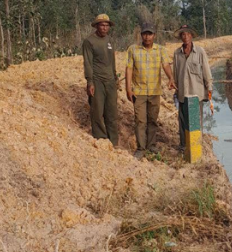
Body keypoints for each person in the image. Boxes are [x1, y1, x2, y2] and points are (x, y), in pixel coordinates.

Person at [125, 23, 176, 158]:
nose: (147, 37)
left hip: (154, 91)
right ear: (141, 35)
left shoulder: (160, 50)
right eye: (145, 34)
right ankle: (141, 148)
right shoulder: (133, 49)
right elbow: (129, 69)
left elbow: (165, 64)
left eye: (150, 34)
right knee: (140, 120)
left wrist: (171, 77)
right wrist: (128, 89)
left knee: (152, 120)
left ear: (154, 35)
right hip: (139, 91)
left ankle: (151, 145)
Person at [171, 24, 213, 152]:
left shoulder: (200, 51)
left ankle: (195, 147)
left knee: (196, 121)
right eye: (183, 34)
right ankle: (184, 146)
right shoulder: (177, 54)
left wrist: (209, 87)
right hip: (183, 93)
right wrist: (176, 91)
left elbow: (206, 71)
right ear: (180, 37)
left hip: (196, 94)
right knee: (183, 122)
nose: (185, 37)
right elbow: (175, 74)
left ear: (191, 36)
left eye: (188, 34)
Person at [82, 13, 119, 146]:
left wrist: (115, 77)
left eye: (106, 25)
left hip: (110, 81)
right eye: (102, 25)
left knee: (112, 112)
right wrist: (90, 81)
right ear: (97, 26)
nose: (104, 28)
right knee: (97, 112)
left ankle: (114, 142)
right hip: (97, 81)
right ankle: (101, 139)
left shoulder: (109, 40)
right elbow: (88, 62)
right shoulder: (89, 41)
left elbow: (112, 60)